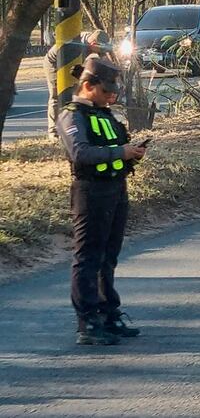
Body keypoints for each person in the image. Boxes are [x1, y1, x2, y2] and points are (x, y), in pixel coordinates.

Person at [57, 56, 147, 345]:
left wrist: (131, 151)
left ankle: (109, 313)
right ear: (87, 85)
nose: (112, 95)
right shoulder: (72, 115)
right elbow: (80, 153)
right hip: (90, 192)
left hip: (115, 189)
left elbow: (112, 144)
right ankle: (88, 321)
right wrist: (119, 153)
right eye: (106, 90)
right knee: (89, 257)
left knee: (109, 256)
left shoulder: (104, 113)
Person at [44, 30, 113, 142]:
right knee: (57, 96)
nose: (102, 51)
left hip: (71, 64)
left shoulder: (93, 43)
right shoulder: (78, 46)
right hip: (54, 63)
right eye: (101, 48)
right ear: (93, 44)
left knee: (76, 94)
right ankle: (53, 132)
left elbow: (104, 62)